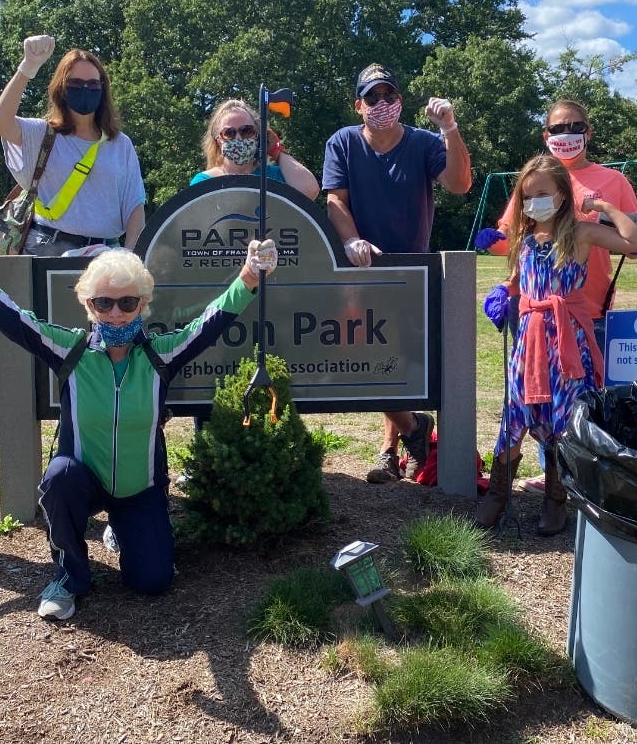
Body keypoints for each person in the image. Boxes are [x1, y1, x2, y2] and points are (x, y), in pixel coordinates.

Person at [0, 225, 279, 620]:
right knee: (59, 477)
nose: (115, 313)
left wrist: (249, 276)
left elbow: (210, 322)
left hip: (139, 489)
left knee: (153, 581)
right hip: (83, 482)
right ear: (88, 306)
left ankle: (122, 526)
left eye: (127, 302)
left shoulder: (160, 355)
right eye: (103, 303)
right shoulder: (71, 349)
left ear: (143, 304)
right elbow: (7, 315)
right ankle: (70, 577)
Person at [474, 100, 637, 513]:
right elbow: (519, 275)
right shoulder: (524, 238)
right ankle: (498, 494)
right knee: (516, 410)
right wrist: (505, 292)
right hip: (529, 339)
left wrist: (605, 208)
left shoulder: (581, 233)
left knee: (563, 415)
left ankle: (556, 497)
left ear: (562, 195)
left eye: (543, 195)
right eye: (528, 197)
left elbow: (636, 244)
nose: (535, 203)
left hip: (567, 338)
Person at [321, 62, 472, 484]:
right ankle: (413, 428)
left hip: (412, 271)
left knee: (397, 360)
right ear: (358, 105)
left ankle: (390, 450)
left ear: (401, 101)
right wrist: (352, 239)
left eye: (389, 95)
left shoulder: (424, 142)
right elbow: (335, 200)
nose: (381, 103)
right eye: (372, 97)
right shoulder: (343, 142)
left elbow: (460, 183)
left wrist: (450, 128)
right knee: (364, 357)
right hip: (362, 269)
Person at [0, 35, 146, 255]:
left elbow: (135, 208)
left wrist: (130, 256)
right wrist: (28, 66)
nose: (85, 89)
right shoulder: (42, 134)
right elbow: (0, 122)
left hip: (106, 253)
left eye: (93, 84)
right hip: (48, 248)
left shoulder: (121, 144)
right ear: (61, 88)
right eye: (76, 83)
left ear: (103, 90)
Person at [190, 98, 320, 199]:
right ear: (218, 140)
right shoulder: (205, 181)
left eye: (246, 131)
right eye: (229, 133)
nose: (238, 138)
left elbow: (310, 191)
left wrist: (277, 151)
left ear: (257, 135)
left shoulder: (275, 176)